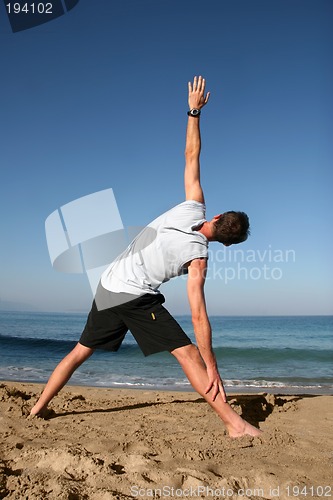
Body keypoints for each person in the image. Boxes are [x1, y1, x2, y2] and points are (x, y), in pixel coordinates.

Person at [31, 76, 261, 438]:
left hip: (108, 283)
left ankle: (37, 407)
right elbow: (199, 316)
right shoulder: (199, 260)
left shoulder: (192, 205)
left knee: (79, 352)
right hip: (134, 294)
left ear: (216, 217)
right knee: (188, 355)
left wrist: (194, 110)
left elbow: (191, 154)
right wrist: (212, 364)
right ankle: (235, 425)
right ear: (225, 244)